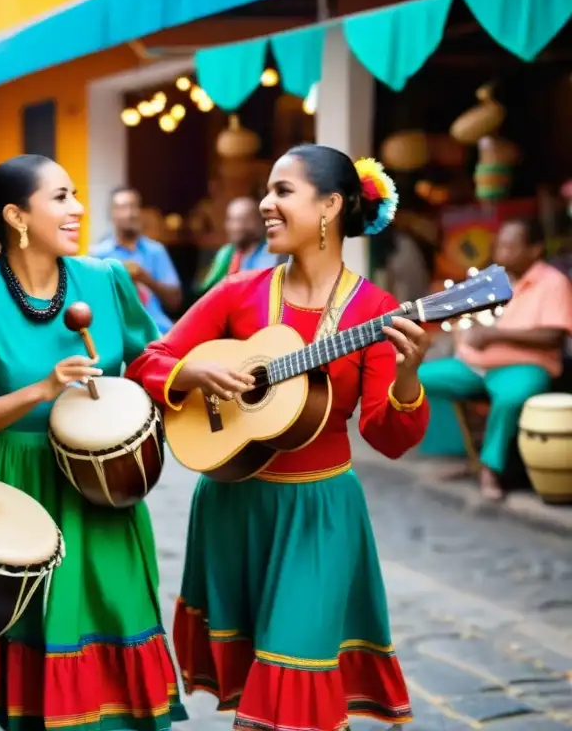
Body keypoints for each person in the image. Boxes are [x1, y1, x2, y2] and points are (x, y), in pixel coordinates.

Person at [125, 145, 431, 731]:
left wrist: (409, 373)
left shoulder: (375, 311)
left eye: (282, 191)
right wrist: (191, 373)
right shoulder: (239, 291)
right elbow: (149, 359)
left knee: (291, 684)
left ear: (331, 206)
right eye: (267, 191)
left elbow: (387, 436)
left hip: (318, 512)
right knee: (255, 696)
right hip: (233, 506)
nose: (265, 203)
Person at [0, 155, 186, 731]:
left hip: (100, 488)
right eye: (61, 198)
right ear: (18, 217)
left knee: (115, 607)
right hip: (17, 492)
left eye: (76, 195)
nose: (77, 210)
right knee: (32, 628)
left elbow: (149, 357)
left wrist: (190, 378)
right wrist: (42, 390)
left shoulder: (107, 279)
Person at [419, 217, 572, 501]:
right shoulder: (495, 281)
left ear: (535, 249)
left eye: (510, 247)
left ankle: (491, 469)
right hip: (475, 366)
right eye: (500, 245)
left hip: (525, 366)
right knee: (416, 377)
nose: (501, 252)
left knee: (511, 399)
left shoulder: (554, 282)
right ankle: (468, 456)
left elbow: (553, 336)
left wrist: (495, 336)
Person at [91, 187, 182, 333]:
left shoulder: (156, 251)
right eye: (122, 207)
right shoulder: (98, 255)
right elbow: (92, 303)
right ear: (112, 214)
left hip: (157, 331)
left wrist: (146, 279)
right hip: (117, 333)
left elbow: (175, 302)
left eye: (134, 206)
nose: (130, 213)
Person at [198, 197, 284, 294]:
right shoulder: (226, 253)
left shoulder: (270, 252)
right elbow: (208, 288)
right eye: (231, 220)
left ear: (257, 223)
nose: (235, 227)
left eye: (242, 220)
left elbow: (262, 290)